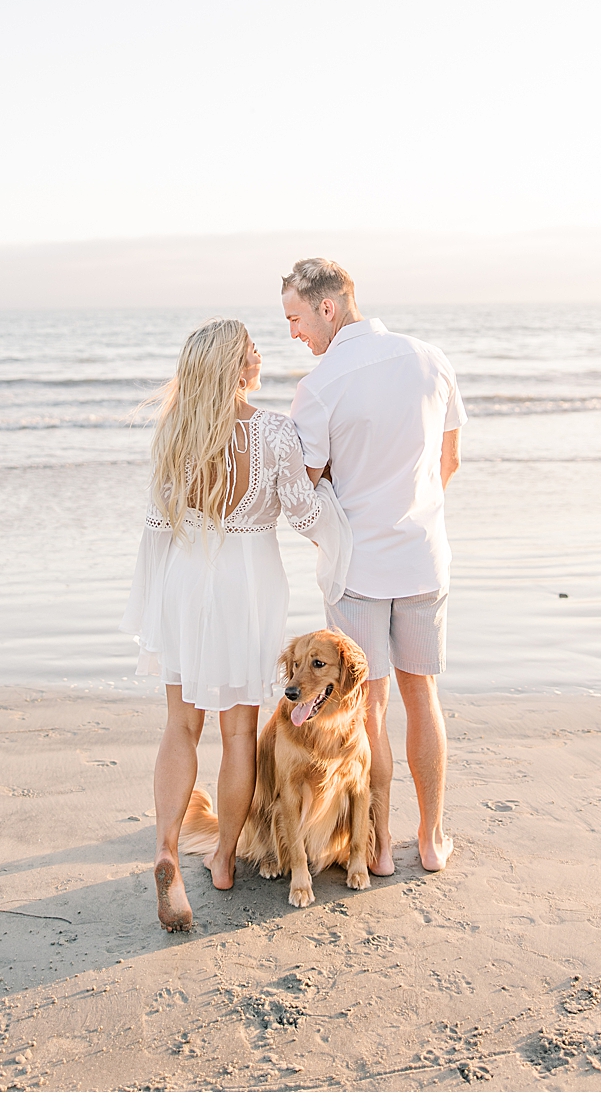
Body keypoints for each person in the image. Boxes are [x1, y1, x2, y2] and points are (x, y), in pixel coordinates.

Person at [123, 317, 349, 932]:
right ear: (235, 366)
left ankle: (168, 844)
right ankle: (222, 858)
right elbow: (303, 516)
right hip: (247, 587)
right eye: (251, 349)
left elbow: (155, 526)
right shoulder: (274, 431)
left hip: (186, 579)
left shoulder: (176, 432)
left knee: (179, 724)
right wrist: (326, 489)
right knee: (238, 733)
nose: (259, 355)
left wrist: (154, 601)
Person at [280, 257, 464, 875]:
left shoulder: (322, 386)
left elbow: (304, 490)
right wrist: (413, 512)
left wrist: (332, 538)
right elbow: (450, 463)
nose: (294, 333)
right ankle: (433, 838)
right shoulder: (431, 359)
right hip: (422, 557)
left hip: (359, 569)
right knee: (424, 696)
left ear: (327, 308)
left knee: (372, 709)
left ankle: (380, 848)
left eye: (296, 318)